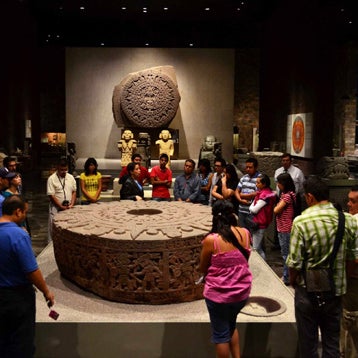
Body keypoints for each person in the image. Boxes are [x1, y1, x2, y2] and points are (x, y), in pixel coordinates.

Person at [286, 177, 358, 358]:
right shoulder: (348, 221)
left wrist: (294, 282)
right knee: (332, 343)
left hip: (307, 291)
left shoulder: (301, 222)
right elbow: (352, 258)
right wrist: (343, 281)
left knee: (308, 345)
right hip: (335, 292)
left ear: (310, 197)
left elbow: (294, 262)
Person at [0, 195, 55, 357]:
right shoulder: (18, 235)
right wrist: (46, 291)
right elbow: (31, 270)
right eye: (25, 212)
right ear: (17, 212)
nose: (25, 216)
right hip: (16, 298)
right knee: (21, 343)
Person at [199, 200, 252, 358]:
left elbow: (203, 267)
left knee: (220, 335)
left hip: (219, 296)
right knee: (231, 325)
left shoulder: (212, 240)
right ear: (233, 215)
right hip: (241, 293)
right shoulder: (245, 233)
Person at [341, 185, 358, 357]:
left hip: (353, 280)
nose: (348, 204)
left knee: (350, 322)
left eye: (353, 201)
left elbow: (354, 258)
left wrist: (344, 276)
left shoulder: (355, 222)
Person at [273, 172, 296, 285]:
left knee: (286, 254)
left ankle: (286, 277)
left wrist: (276, 205)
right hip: (285, 226)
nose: (277, 185)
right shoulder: (291, 194)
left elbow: (276, 210)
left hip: (285, 228)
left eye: (279, 183)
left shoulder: (287, 196)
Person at [47, 157, 77, 242]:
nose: (64, 172)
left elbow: (74, 191)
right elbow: (51, 195)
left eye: (66, 170)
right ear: (58, 168)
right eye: (62, 170)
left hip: (69, 207)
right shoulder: (51, 179)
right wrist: (60, 206)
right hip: (56, 207)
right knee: (55, 229)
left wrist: (72, 204)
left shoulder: (71, 177)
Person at [249, 174, 276, 260]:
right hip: (261, 222)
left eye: (258, 182)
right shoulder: (267, 193)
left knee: (255, 249)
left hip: (260, 223)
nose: (256, 184)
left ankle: (261, 268)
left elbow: (253, 209)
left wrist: (250, 207)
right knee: (258, 248)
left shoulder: (264, 195)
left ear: (264, 184)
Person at [235, 157, 260, 230]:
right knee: (242, 232)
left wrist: (242, 195)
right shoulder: (244, 178)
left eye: (250, 167)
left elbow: (257, 194)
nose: (248, 169)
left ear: (255, 167)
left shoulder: (260, 179)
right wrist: (240, 199)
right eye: (247, 167)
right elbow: (236, 191)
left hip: (252, 212)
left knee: (251, 234)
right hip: (241, 210)